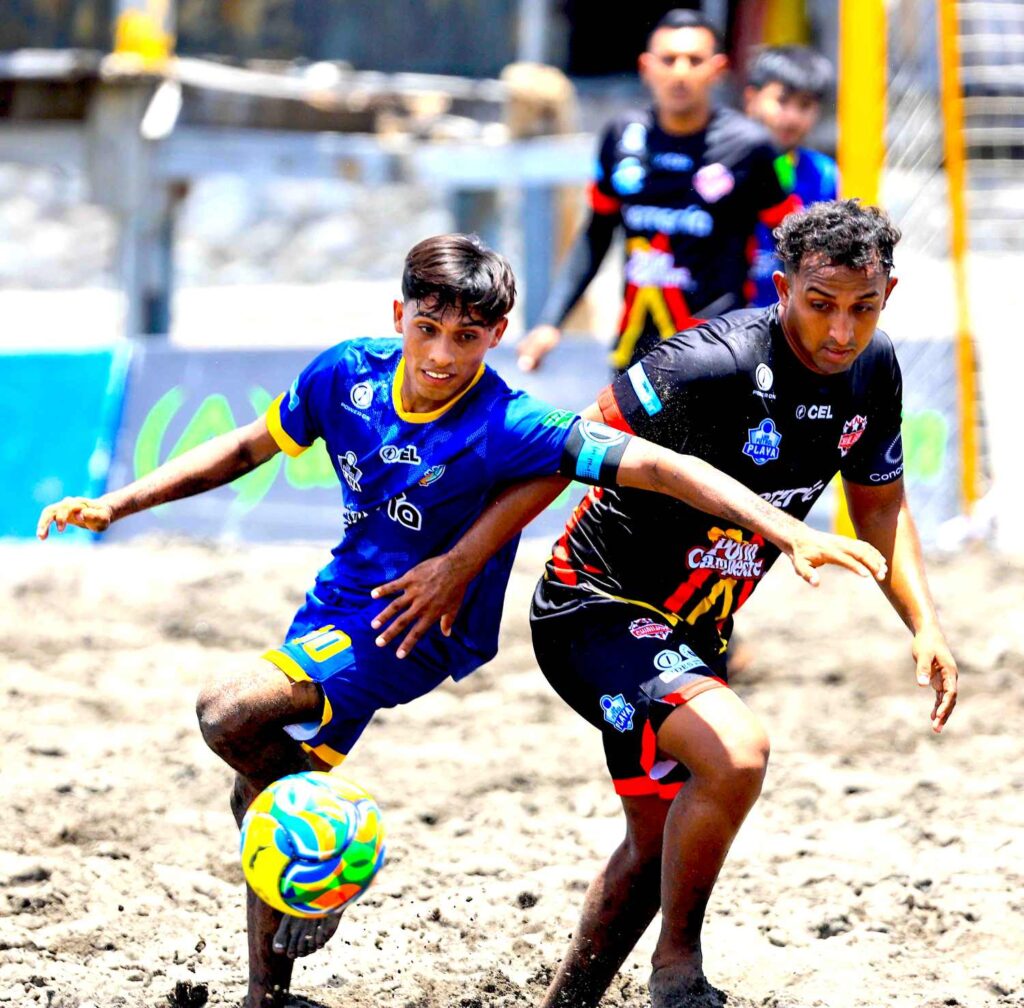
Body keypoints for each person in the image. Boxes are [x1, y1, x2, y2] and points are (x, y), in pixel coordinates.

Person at [36, 233, 884, 1008]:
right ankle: (270, 990)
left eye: (468, 338)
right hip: (337, 604)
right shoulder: (345, 374)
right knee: (265, 778)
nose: (443, 355)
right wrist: (118, 503)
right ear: (398, 314)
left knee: (230, 714)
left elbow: (660, 467)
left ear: (498, 334)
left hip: (414, 628)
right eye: (428, 330)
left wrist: (787, 531)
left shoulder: (510, 421)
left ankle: (335, 851)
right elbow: (246, 447)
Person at [371, 202, 959, 1008]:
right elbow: (564, 449)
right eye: (820, 304)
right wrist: (462, 563)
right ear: (782, 288)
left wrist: (924, 624)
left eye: (863, 307)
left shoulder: (875, 367)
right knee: (737, 755)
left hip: (695, 630)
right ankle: (678, 970)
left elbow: (881, 506)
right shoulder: (706, 364)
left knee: (656, 843)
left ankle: (569, 1002)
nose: (840, 330)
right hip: (592, 603)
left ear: (888, 295)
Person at [516, 8, 799, 374]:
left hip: (719, 354)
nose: (680, 72)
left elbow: (792, 239)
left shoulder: (751, 146)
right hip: (635, 353)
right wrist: (550, 322)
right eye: (668, 60)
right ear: (646, 67)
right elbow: (596, 235)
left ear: (717, 69)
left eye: (694, 60)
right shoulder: (620, 137)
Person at [744, 44, 839, 307]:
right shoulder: (725, 164)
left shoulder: (822, 173)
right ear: (752, 99)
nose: (792, 117)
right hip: (725, 317)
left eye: (805, 105)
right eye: (782, 101)